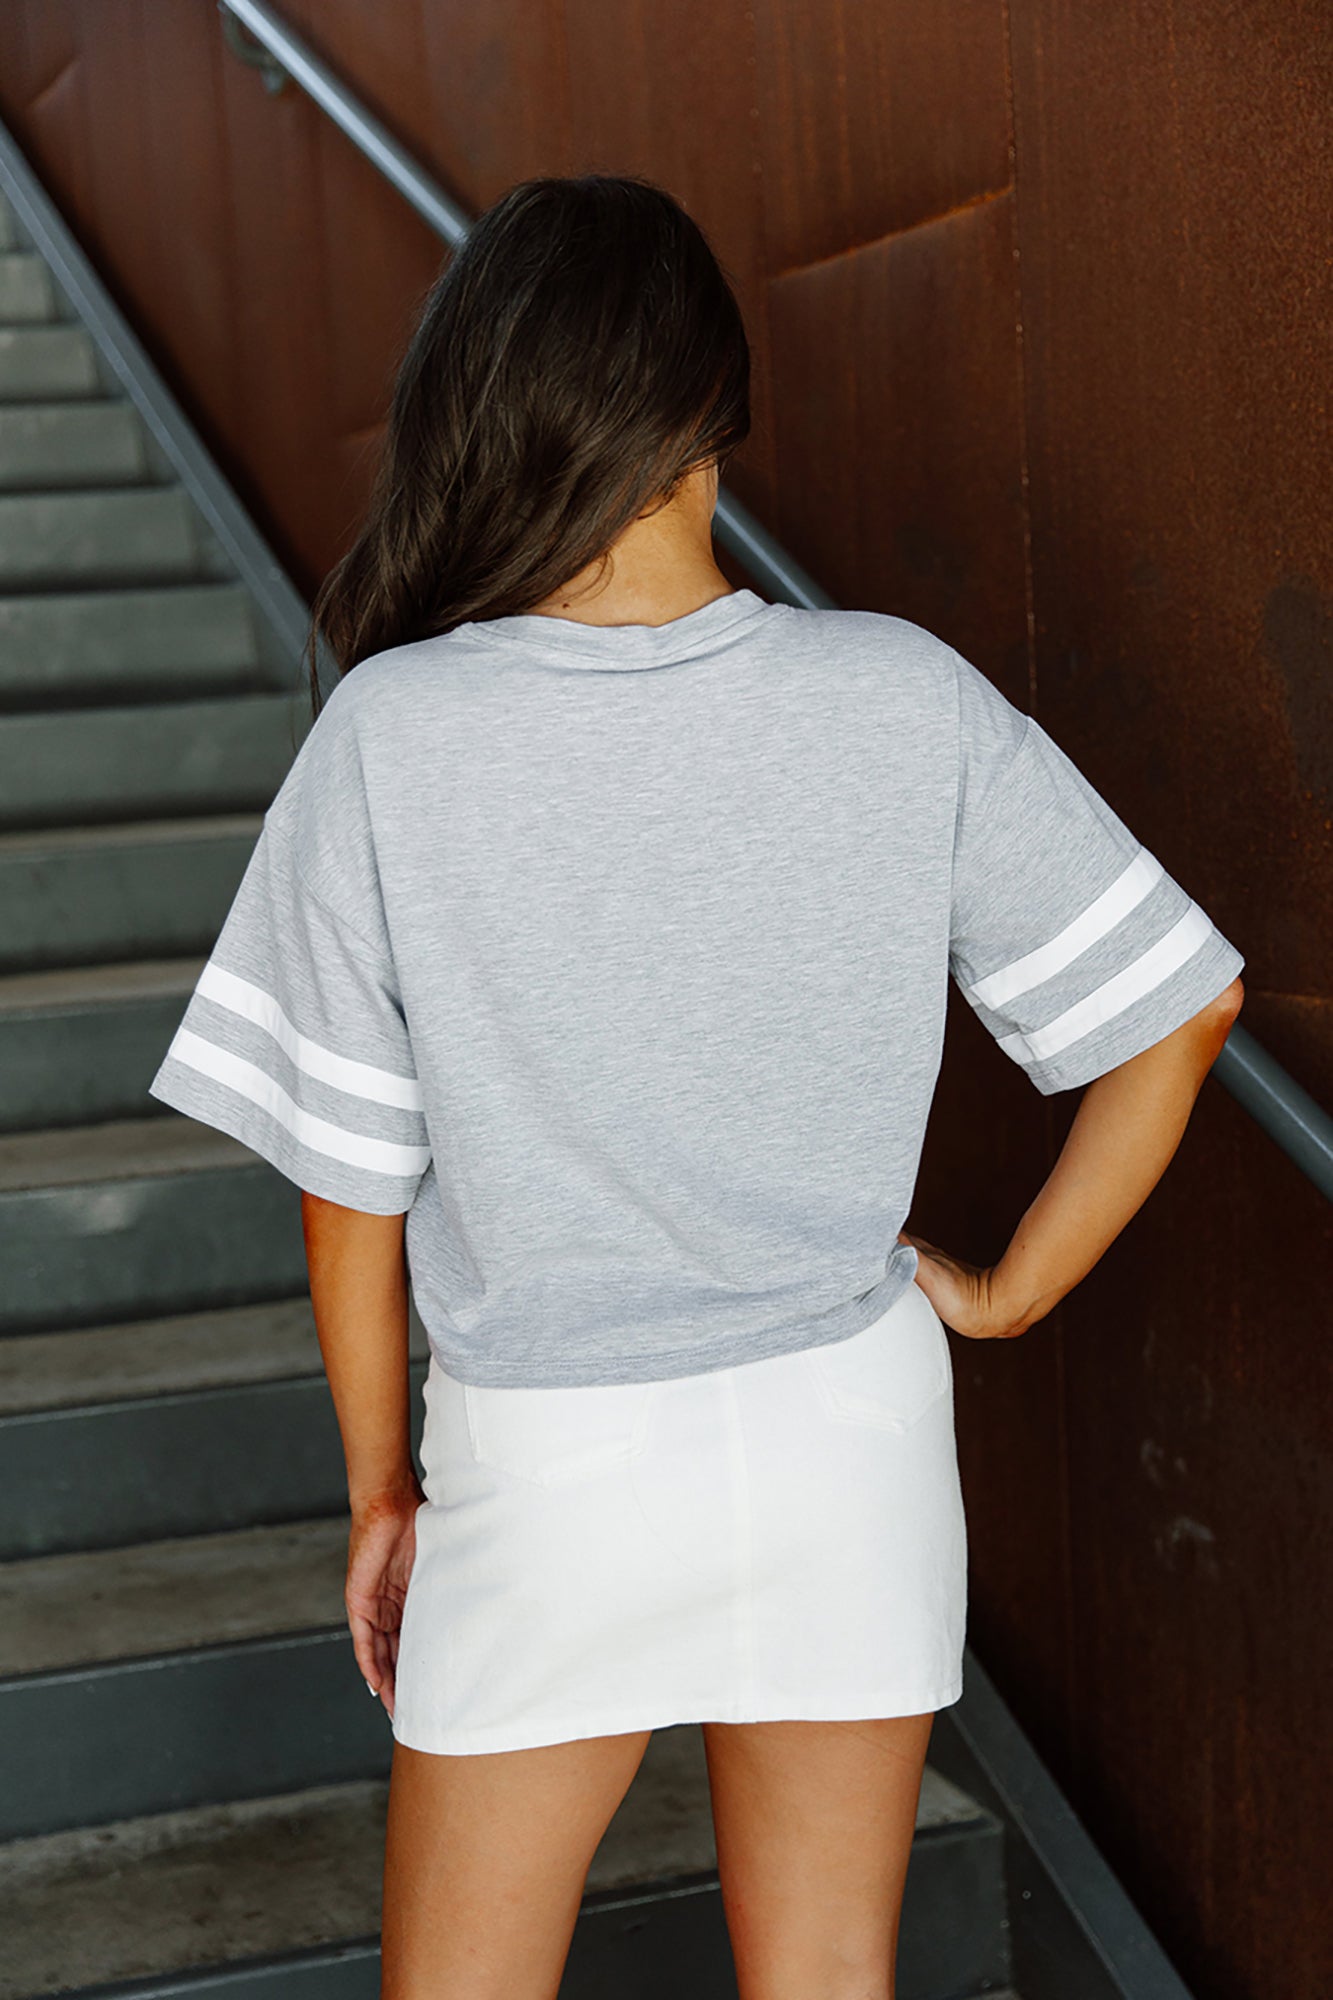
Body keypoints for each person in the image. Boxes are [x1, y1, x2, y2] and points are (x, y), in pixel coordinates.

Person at [147, 172, 1245, 2000]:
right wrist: (1004, 1292)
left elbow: (350, 1191)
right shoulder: (898, 694)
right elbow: (1180, 1010)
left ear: (482, 400)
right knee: (825, 1977)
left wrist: (380, 1492)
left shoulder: (394, 736)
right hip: (850, 1428)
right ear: (713, 409)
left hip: (551, 1456)